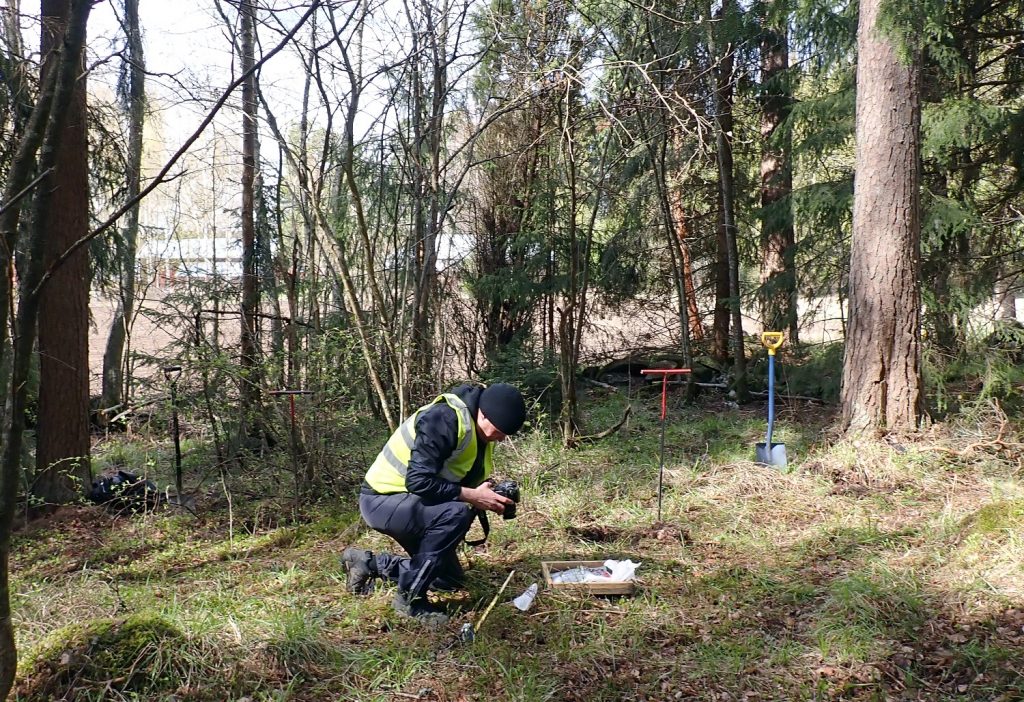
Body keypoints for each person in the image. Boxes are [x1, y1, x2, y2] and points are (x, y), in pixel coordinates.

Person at [343, 382, 527, 625]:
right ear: (484, 414)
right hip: (381, 500)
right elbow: (418, 481)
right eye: (500, 431)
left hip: (413, 504)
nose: (502, 439)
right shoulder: (443, 419)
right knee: (456, 513)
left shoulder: (478, 431)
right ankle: (410, 601)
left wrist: (487, 494)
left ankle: (370, 563)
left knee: (447, 580)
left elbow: (459, 478)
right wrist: (471, 496)